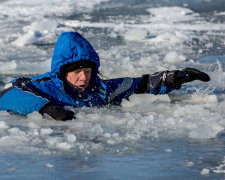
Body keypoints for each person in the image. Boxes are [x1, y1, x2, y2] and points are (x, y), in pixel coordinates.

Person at [0, 32, 210, 121]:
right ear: (63, 73)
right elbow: (8, 92)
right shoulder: (44, 86)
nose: (84, 78)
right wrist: (46, 108)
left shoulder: (100, 89)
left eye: (88, 72)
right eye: (77, 72)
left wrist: (174, 77)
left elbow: (139, 85)